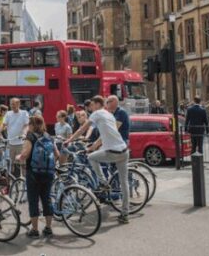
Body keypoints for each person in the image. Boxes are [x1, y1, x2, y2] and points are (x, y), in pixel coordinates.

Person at [66, 96, 130, 224]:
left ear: (96, 104)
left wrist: (69, 140)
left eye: (92, 105)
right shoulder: (109, 115)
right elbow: (105, 135)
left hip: (112, 151)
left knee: (91, 158)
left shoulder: (97, 113)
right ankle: (125, 213)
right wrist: (93, 146)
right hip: (124, 150)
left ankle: (103, 182)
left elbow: (82, 128)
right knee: (124, 183)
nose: (91, 107)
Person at [16, 114, 59, 238]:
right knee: (47, 198)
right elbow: (56, 154)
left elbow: (25, 154)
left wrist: (18, 157)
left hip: (33, 172)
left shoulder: (30, 136)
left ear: (32, 125)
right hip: (48, 173)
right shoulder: (49, 136)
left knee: (33, 200)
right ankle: (48, 228)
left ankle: (34, 230)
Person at [0, 98, 28, 178]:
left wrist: (24, 134)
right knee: (10, 164)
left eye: (14, 104)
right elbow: (4, 124)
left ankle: (25, 182)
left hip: (20, 142)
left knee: (22, 163)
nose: (12, 106)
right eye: (11, 104)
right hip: (10, 142)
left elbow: (26, 125)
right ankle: (12, 182)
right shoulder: (8, 114)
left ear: (18, 104)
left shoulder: (24, 113)